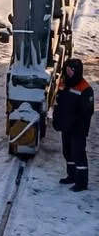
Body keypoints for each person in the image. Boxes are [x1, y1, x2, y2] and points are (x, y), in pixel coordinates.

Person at [52, 57, 94, 191]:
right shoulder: (63, 84)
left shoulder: (85, 89)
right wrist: (56, 118)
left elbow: (87, 112)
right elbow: (58, 103)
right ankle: (71, 176)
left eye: (70, 70)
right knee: (68, 152)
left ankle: (81, 182)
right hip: (66, 127)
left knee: (78, 154)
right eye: (67, 70)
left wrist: (77, 125)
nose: (68, 72)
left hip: (77, 129)